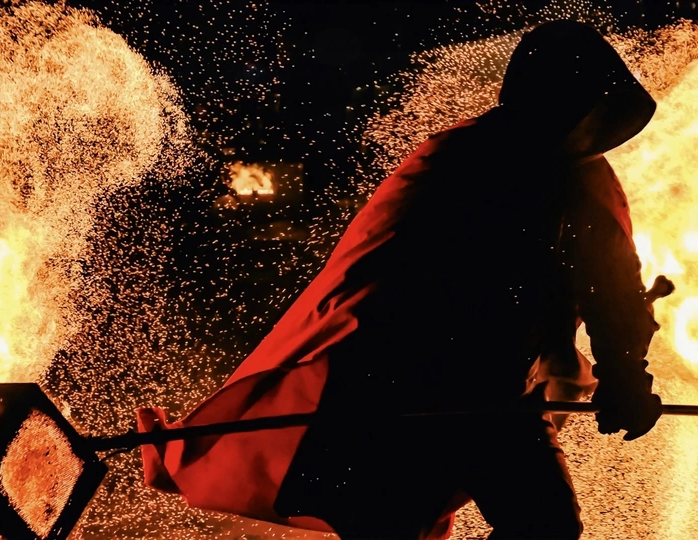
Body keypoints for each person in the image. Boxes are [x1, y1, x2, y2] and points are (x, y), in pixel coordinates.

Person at [137, 20, 664, 540]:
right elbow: (382, 276)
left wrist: (626, 377)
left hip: (499, 392)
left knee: (544, 527)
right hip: (392, 388)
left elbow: (612, 291)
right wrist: (624, 378)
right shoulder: (461, 160)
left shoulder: (580, 180)